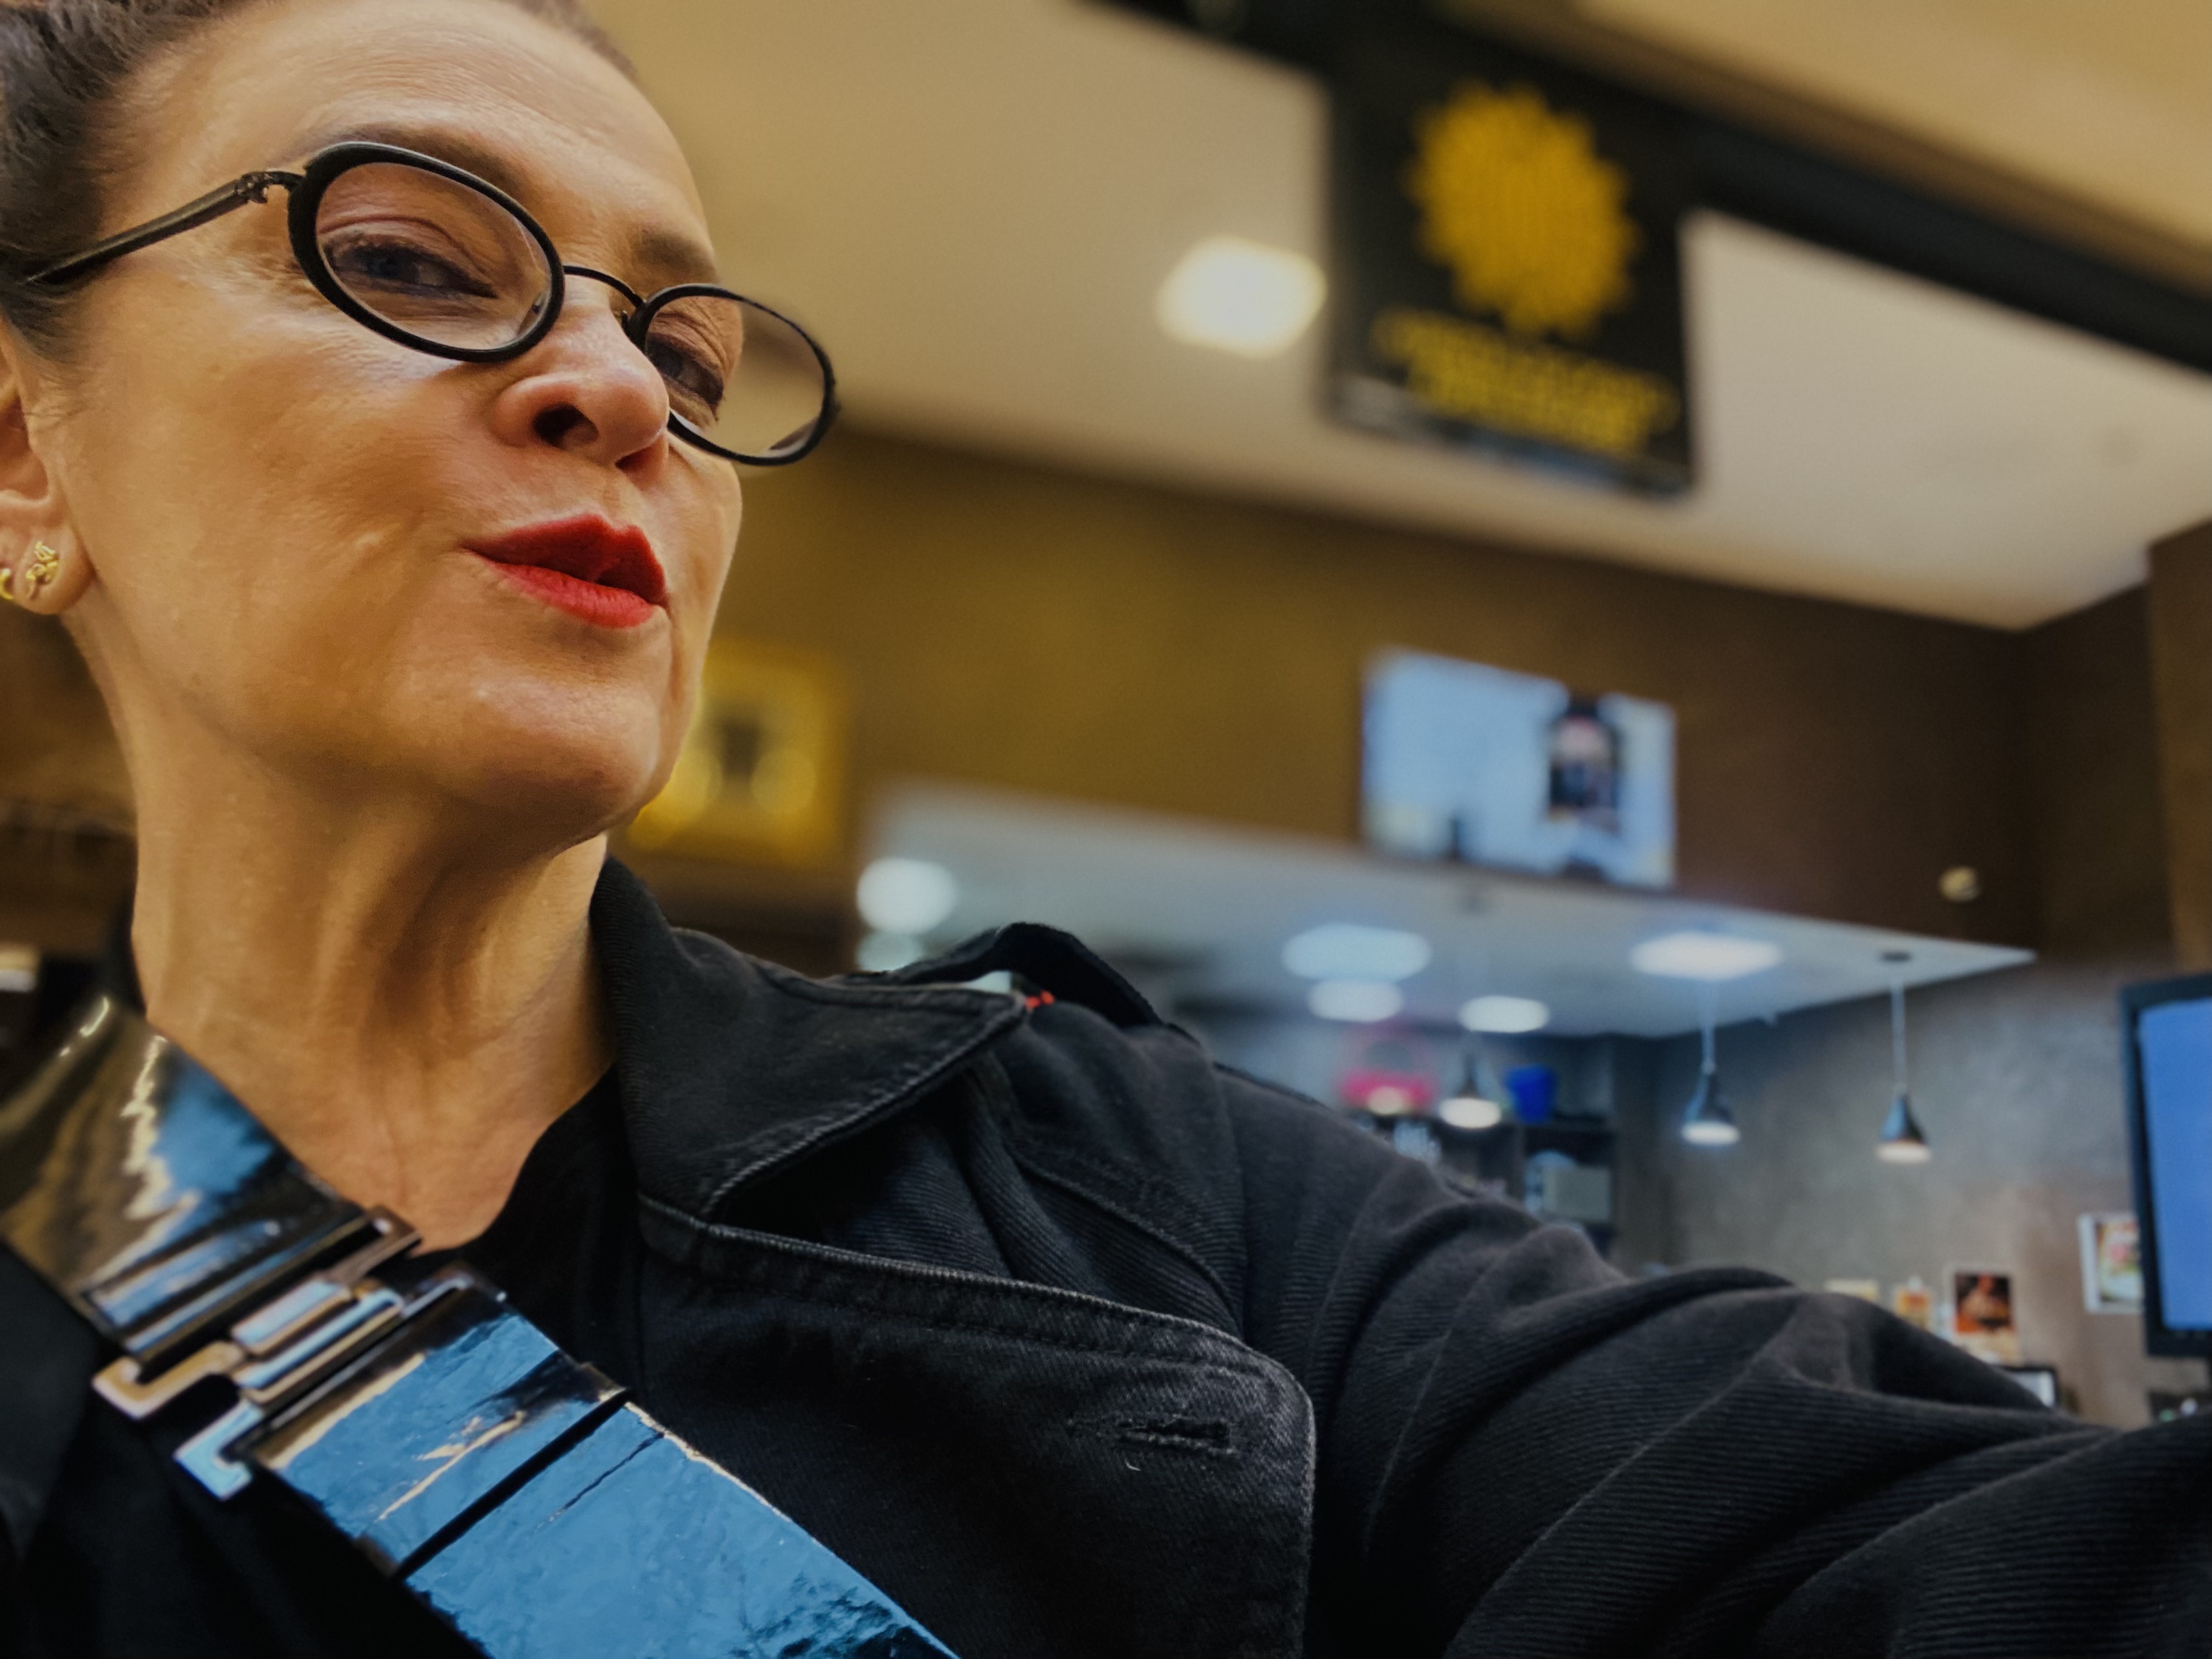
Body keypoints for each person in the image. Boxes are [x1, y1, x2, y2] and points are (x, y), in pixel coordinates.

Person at [0, 1, 2204, 1655]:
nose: (628, 389)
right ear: (26, 452)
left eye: (687, 343)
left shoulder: (1139, 1191)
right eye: (408, 258)